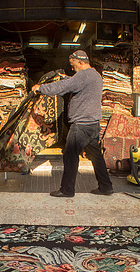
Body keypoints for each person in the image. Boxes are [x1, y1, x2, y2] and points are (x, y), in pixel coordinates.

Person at [32, 50, 114, 197]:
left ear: (81, 62)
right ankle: (106, 187)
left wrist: (41, 88)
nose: (72, 68)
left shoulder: (82, 76)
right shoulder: (96, 75)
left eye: (74, 65)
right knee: (96, 156)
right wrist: (68, 78)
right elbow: (78, 83)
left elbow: (63, 87)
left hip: (81, 126)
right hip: (93, 124)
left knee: (70, 156)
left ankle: (67, 189)